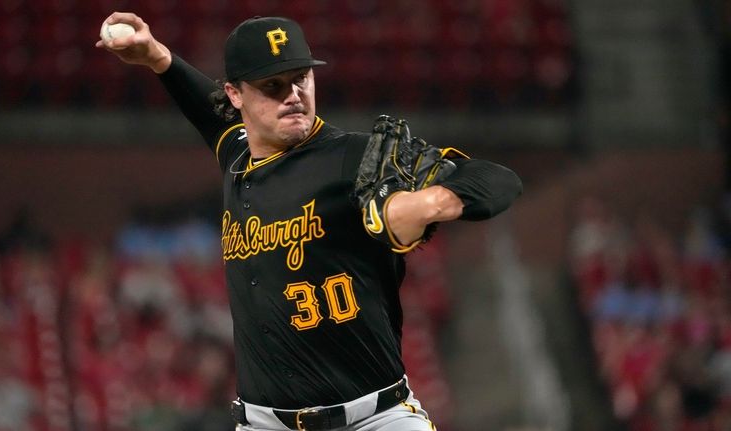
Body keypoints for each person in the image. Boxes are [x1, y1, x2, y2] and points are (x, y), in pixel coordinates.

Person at [96, 12, 523, 431]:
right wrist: (158, 58)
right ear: (235, 95)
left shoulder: (352, 158)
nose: (293, 95)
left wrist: (429, 202)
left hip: (374, 418)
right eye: (272, 85)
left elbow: (500, 180)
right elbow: (206, 110)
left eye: (301, 77)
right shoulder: (237, 150)